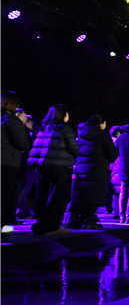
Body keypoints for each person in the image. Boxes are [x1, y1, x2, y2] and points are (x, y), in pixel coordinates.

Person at [26, 104, 79, 235]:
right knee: (57, 196)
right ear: (63, 115)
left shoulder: (43, 128)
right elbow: (74, 149)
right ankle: (52, 226)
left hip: (42, 166)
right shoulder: (65, 129)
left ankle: (41, 224)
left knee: (42, 195)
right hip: (59, 166)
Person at [69, 114, 118, 229]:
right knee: (94, 195)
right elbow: (113, 155)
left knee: (82, 195)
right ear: (101, 124)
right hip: (97, 170)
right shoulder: (103, 136)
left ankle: (79, 220)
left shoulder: (81, 135)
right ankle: (90, 221)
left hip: (81, 169)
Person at [1, 91, 31, 232]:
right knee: (5, 196)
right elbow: (23, 144)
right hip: (7, 162)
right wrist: (22, 123)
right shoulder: (12, 121)